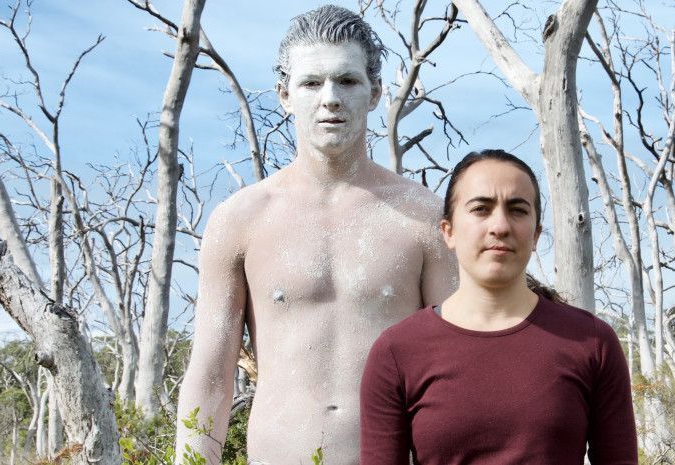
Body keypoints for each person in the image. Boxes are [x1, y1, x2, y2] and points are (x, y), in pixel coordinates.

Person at [174, 6, 456, 464]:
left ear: (374, 93)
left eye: (347, 81)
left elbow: (458, 369)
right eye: (311, 83)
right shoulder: (239, 221)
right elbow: (210, 377)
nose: (330, 98)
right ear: (285, 95)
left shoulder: (424, 217)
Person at [360, 149, 639, 464]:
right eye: (481, 208)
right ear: (448, 232)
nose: (500, 226)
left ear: (535, 235)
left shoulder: (592, 342)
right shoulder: (397, 352)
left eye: (518, 210)